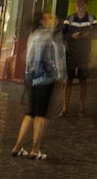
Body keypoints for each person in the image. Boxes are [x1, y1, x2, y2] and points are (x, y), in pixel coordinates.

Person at [12, 9, 62, 160]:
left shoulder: (32, 35)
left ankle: (18, 146)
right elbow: (44, 59)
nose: (52, 20)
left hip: (30, 79)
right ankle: (35, 149)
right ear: (42, 21)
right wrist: (55, 74)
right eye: (48, 18)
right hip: (44, 79)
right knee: (41, 115)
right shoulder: (46, 37)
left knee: (30, 113)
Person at [61, 0, 97, 114]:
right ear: (75, 5)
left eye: (82, 4)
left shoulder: (92, 19)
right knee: (69, 80)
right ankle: (65, 108)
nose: (80, 7)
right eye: (78, 4)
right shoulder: (69, 19)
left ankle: (82, 108)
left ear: (86, 5)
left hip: (84, 54)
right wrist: (72, 36)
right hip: (71, 53)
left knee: (83, 80)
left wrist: (88, 35)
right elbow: (62, 35)